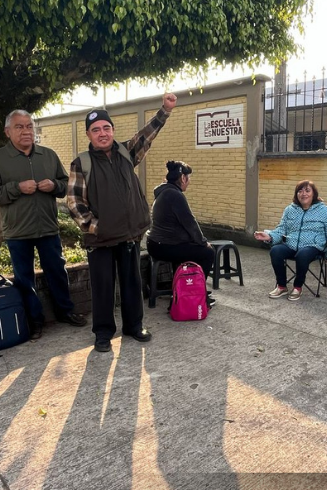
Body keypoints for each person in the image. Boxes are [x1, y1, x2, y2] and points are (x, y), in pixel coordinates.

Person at [67, 94, 177, 352]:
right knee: (103, 288)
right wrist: (96, 227)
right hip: (101, 238)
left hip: (129, 234)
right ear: (88, 135)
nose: (102, 133)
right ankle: (103, 333)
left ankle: (134, 325)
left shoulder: (127, 152)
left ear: (113, 130)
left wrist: (165, 110)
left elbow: (147, 134)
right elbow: (74, 202)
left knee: (132, 283)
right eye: (96, 130)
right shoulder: (81, 162)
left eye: (106, 128)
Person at [0, 110, 87, 337]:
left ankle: (65, 311)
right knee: (24, 278)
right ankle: (34, 321)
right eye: (19, 127)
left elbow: (66, 183)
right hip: (17, 231)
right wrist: (16, 188)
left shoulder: (48, 155)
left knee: (57, 271)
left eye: (29, 126)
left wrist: (54, 186)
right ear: (8, 132)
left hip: (47, 226)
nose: (26, 131)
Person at [254, 180, 327, 301]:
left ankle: (298, 287)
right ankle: (282, 286)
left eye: (307, 190)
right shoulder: (290, 209)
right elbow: (281, 229)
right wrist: (269, 236)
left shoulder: (324, 211)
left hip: (313, 246)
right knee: (276, 250)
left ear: (314, 194)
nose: (303, 193)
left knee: (302, 255)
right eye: (300, 191)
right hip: (291, 244)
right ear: (296, 194)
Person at [147, 160, 216, 307]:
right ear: (183, 178)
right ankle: (195, 290)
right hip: (164, 246)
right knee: (208, 253)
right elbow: (190, 223)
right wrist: (203, 242)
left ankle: (187, 287)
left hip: (156, 244)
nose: (189, 182)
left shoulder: (163, 191)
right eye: (189, 178)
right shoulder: (175, 195)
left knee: (189, 250)